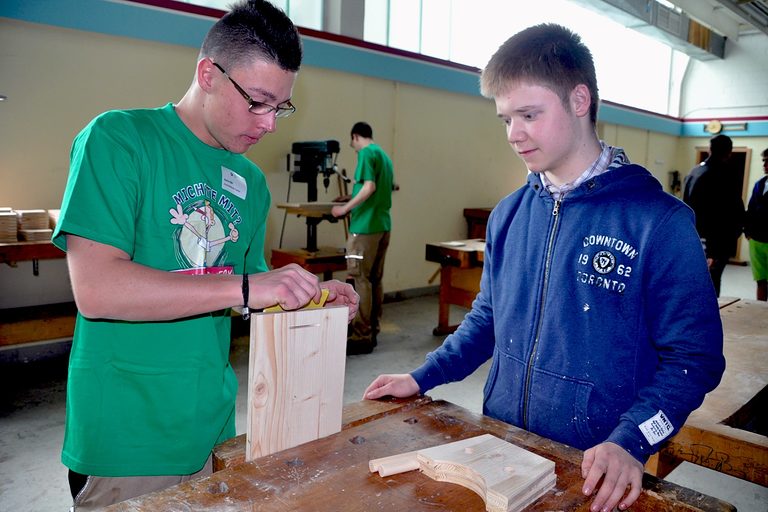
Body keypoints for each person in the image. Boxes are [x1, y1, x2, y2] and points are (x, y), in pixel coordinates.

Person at [363, 23, 724, 512]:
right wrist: (423, 376)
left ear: (579, 100)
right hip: (501, 449)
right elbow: (488, 320)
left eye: (528, 114)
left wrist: (634, 441)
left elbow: (694, 360)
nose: (514, 135)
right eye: (505, 119)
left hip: (594, 471)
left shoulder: (658, 223)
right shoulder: (509, 215)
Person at [52, 1, 358, 509]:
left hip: (212, 427)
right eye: (258, 101)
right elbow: (97, 290)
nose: (269, 125)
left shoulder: (251, 183)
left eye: (280, 107)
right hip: (126, 439)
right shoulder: (119, 140)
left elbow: (255, 291)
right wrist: (244, 287)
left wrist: (311, 297)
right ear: (208, 74)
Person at [331, 122, 394, 355]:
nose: (355, 150)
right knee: (375, 279)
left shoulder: (366, 152)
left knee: (361, 280)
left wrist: (344, 208)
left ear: (356, 136)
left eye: (353, 145)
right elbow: (376, 190)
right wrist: (349, 195)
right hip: (382, 226)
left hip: (364, 228)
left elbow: (369, 187)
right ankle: (374, 327)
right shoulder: (383, 156)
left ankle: (362, 335)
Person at [682, 134, 745, 296]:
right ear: (729, 152)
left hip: (693, 236)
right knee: (710, 283)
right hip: (715, 242)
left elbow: (686, 206)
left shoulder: (694, 172)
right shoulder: (725, 174)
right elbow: (730, 212)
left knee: (694, 280)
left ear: (710, 149)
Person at [744, 148, 768, 300]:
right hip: (756, 239)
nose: (765, 164)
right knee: (760, 280)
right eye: (764, 161)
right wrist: (747, 231)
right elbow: (751, 209)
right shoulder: (760, 184)